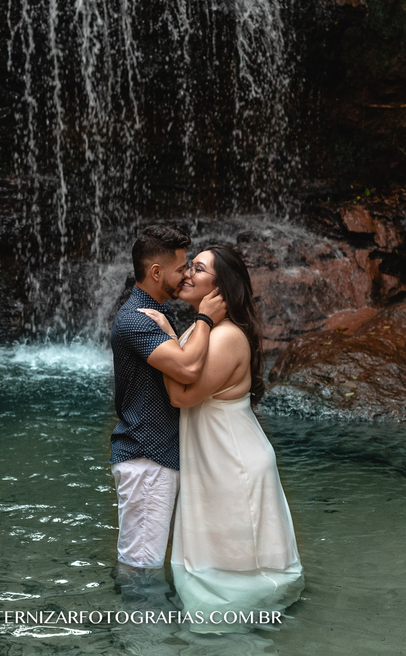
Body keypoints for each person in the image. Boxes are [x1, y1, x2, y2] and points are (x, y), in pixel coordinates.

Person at [139, 243, 303, 626]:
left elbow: (180, 396)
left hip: (233, 461)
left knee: (237, 567)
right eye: (189, 266)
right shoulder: (206, 330)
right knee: (222, 556)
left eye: (198, 269)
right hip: (217, 456)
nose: (188, 274)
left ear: (221, 288)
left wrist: (165, 331)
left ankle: (241, 632)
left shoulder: (226, 336)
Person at [109, 225, 227, 577]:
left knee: (146, 560)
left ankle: (145, 628)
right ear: (156, 272)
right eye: (181, 268)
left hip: (156, 456)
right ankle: (137, 631)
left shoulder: (160, 313)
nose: (186, 274)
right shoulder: (137, 319)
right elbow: (188, 368)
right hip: (146, 457)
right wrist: (205, 318)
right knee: (140, 568)